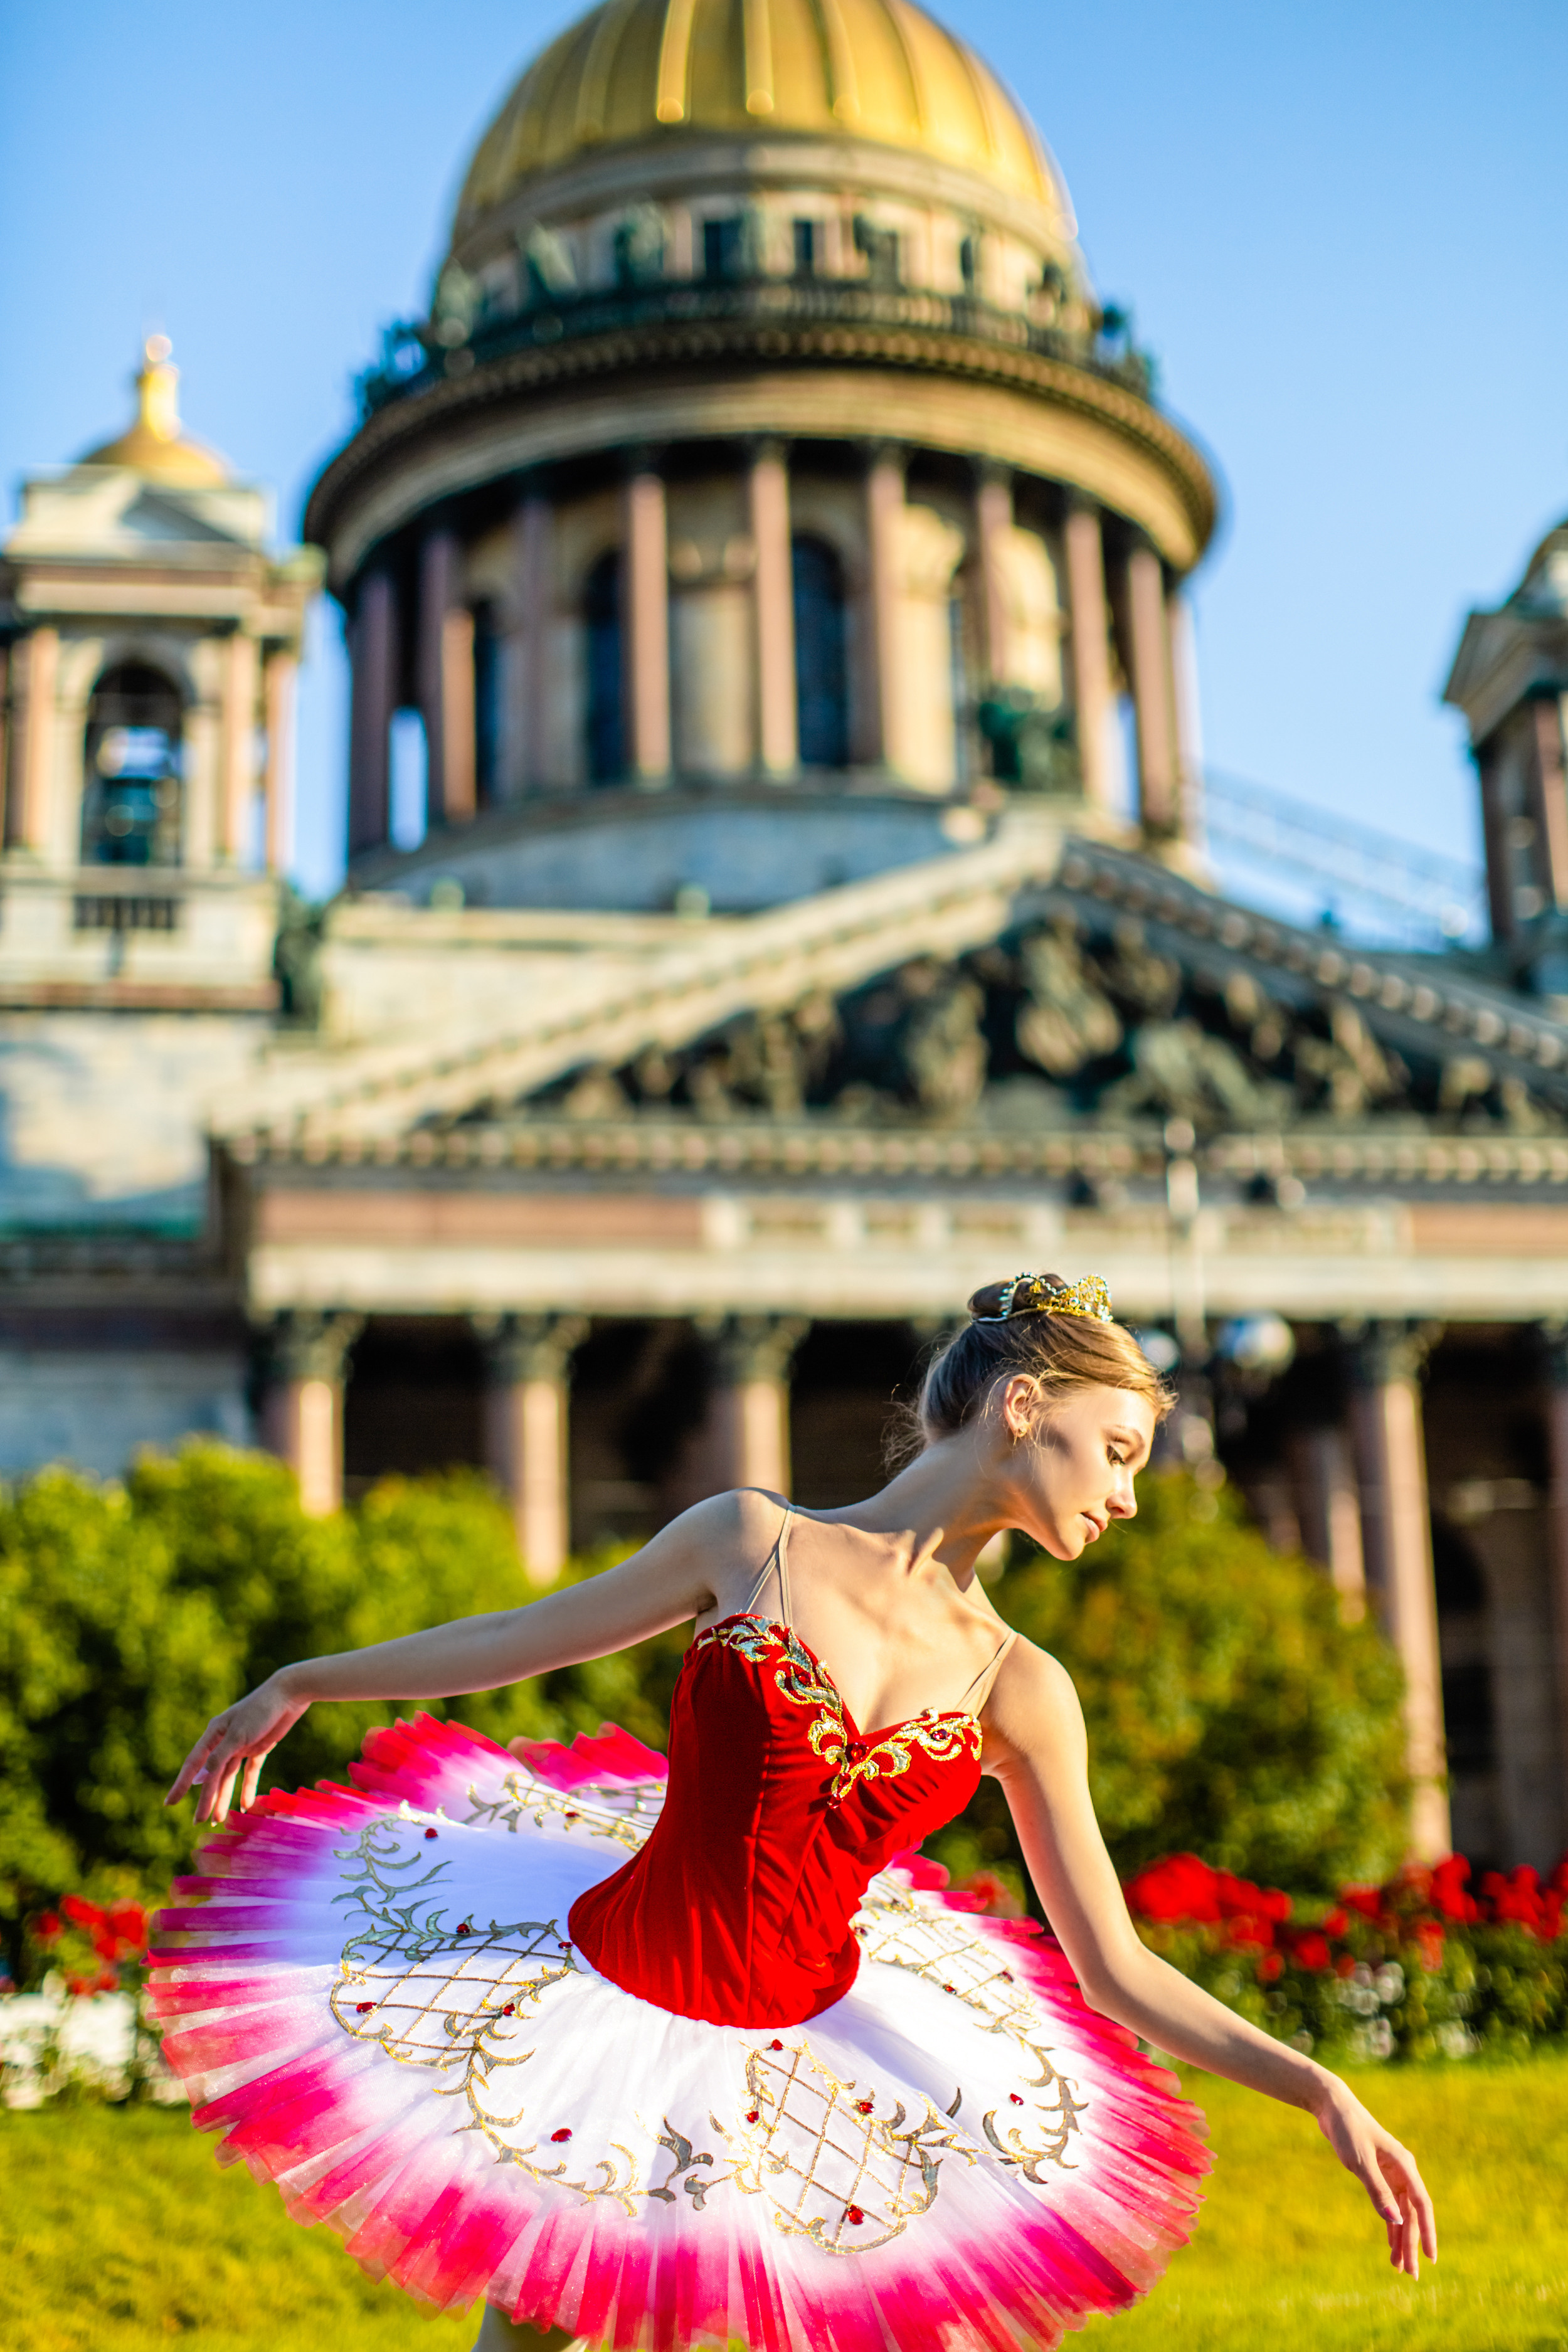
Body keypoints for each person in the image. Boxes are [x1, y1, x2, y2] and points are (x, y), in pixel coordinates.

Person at [159, 1273, 1434, 2352]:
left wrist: (1317, 2086)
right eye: (1118, 1452)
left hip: (816, 2071)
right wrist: (305, 1680)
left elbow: (1113, 1967)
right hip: (606, 2011)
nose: (1129, 1496)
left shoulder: (1023, 1688)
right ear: (1022, 1406)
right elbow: (517, 1637)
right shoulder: (749, 1541)